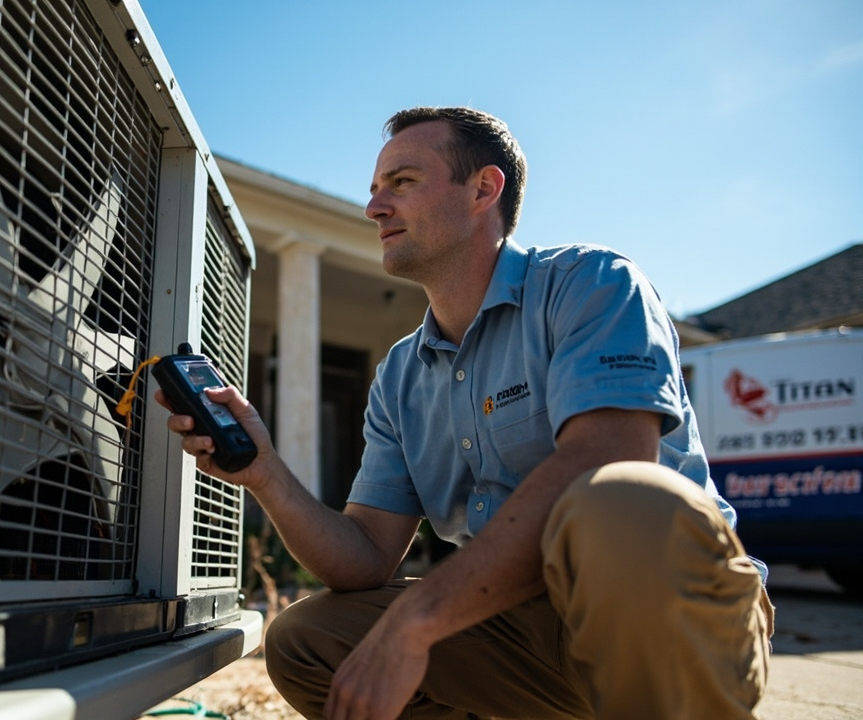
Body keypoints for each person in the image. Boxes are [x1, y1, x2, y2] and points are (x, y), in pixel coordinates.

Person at [159, 106, 774, 719]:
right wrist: (266, 474)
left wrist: (417, 623)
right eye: (374, 190)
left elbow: (612, 461)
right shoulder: (400, 376)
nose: (374, 208)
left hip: (667, 615)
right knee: (307, 639)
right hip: (520, 629)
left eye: (402, 183)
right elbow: (368, 556)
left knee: (621, 495)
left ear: (483, 189)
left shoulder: (593, 283)